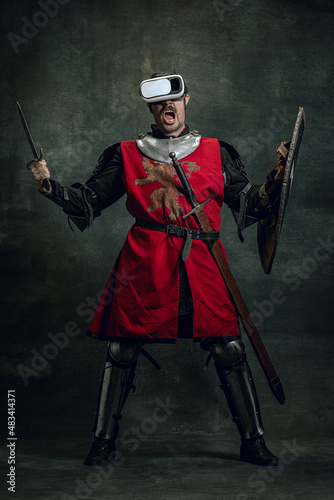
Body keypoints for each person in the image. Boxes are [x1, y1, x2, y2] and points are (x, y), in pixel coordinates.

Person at [29, 72, 288, 468]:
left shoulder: (219, 152)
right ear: (151, 107)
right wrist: (50, 186)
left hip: (203, 261)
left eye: (176, 99)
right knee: (122, 346)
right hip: (144, 262)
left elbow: (250, 204)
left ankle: (253, 442)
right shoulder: (126, 153)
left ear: (187, 101)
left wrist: (275, 178)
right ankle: (102, 442)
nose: (169, 106)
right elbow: (88, 202)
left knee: (228, 345)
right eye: (159, 102)